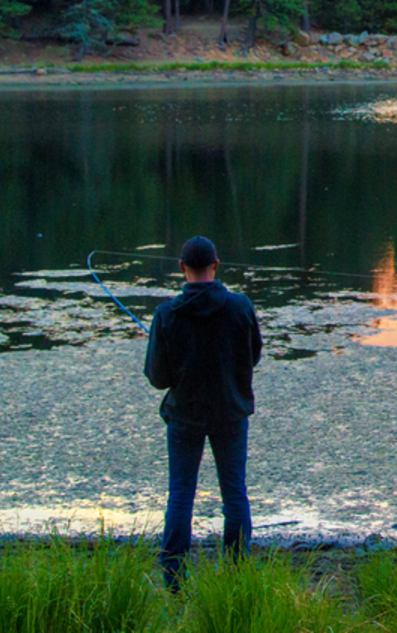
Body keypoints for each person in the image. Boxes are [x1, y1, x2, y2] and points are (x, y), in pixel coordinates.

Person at [144, 236, 262, 589]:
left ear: (182, 268)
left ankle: (174, 578)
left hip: (185, 418)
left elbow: (157, 378)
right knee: (234, 494)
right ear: (216, 264)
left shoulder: (166, 315)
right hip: (230, 415)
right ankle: (237, 575)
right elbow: (252, 357)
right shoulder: (241, 307)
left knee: (180, 494)